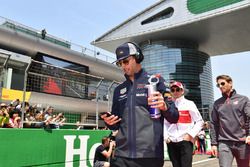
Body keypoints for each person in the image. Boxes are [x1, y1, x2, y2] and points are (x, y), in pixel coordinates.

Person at [101, 42, 179, 167]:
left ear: (137, 57)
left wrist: (164, 106)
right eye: (119, 63)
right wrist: (110, 122)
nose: (123, 66)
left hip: (149, 156)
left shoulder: (155, 82)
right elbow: (116, 126)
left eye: (126, 61)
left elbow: (174, 116)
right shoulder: (118, 90)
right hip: (121, 157)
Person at [210, 75, 250, 167]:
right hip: (224, 143)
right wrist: (214, 144)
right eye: (218, 85)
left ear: (230, 83)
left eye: (222, 83)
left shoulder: (243, 100)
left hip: (242, 142)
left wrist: (249, 134)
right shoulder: (217, 103)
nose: (220, 86)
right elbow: (214, 123)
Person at [164, 81, 204, 167]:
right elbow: (165, 123)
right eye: (173, 90)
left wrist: (190, 135)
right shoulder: (167, 105)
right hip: (171, 141)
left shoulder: (189, 103)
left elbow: (200, 121)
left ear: (182, 91)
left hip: (185, 141)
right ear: (170, 91)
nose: (175, 92)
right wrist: (166, 137)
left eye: (178, 89)